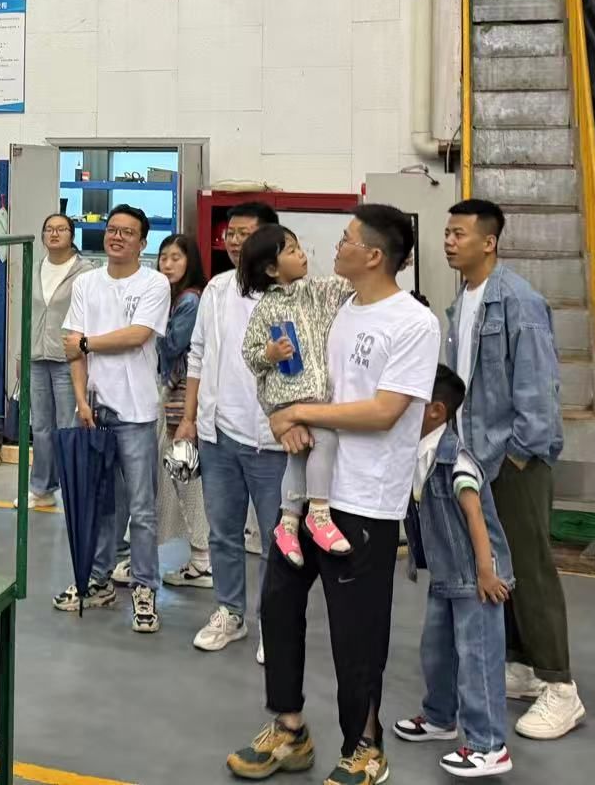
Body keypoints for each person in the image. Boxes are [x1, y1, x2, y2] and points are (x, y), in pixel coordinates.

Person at [228, 204, 439, 785]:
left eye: (346, 239)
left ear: (373, 255)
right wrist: (283, 416)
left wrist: (299, 414)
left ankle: (365, 747)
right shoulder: (335, 306)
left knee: (356, 632)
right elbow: (286, 371)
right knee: (278, 606)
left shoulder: (413, 322)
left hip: (364, 499)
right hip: (306, 491)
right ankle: (290, 728)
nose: (334, 247)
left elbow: (384, 411)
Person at [440, 199, 583, 740]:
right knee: (503, 567)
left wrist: (520, 454)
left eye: (459, 233)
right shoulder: (463, 301)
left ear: (489, 242)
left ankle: (561, 686)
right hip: (478, 456)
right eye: (447, 233)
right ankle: (522, 665)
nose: (449, 241)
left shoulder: (518, 300)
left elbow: (539, 386)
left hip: (514, 459)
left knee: (532, 568)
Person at [52, 204, 172, 634]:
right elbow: (72, 347)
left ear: (142, 242)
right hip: (94, 411)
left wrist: (87, 342)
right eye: (112, 229)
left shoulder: (154, 283)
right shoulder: (87, 283)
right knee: (100, 504)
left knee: (141, 508)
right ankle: (98, 581)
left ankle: (145, 588)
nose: (117, 236)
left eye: (127, 232)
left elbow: (137, 336)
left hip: (136, 413)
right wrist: (80, 401)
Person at [393, 366, 515, 779]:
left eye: (410, 398)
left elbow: (474, 513)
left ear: (435, 411)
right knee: (437, 650)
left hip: (476, 577)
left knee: (477, 657)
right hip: (447, 574)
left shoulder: (456, 458)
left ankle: (488, 744)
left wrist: (486, 572)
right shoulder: (418, 451)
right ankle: (439, 716)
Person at [180, 200, 288, 656]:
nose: (236, 241)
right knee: (222, 532)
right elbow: (198, 354)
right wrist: (189, 418)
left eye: (246, 234)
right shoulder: (218, 288)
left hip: (272, 439)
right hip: (219, 434)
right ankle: (230, 612)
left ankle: (276, 624)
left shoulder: (289, 294)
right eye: (231, 233)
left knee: (277, 538)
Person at [238, 224, 353, 563]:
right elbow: (250, 354)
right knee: (326, 440)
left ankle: (288, 523)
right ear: (271, 269)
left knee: (298, 457)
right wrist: (270, 353)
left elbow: (348, 285)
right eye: (291, 250)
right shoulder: (265, 308)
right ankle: (319, 512)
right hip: (290, 399)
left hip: (314, 395)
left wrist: (391, 259)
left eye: (299, 247)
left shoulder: (314, 291)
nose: (302, 254)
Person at [156, 232, 213, 588]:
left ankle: (203, 561)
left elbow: (173, 344)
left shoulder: (189, 301)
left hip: (181, 399)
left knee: (187, 477)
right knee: (182, 477)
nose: (167, 264)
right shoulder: (179, 299)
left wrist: (150, 327)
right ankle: (199, 558)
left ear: (190, 261)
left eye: (176, 257)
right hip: (178, 396)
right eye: (163, 257)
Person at [27, 212, 92, 510]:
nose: (54, 234)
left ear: (72, 235)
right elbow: (27, 313)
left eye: (61, 229)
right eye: (49, 229)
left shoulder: (85, 271)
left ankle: (74, 491)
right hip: (36, 357)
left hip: (69, 359)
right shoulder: (35, 267)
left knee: (68, 427)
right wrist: (21, 354)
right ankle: (41, 489)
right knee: (40, 427)